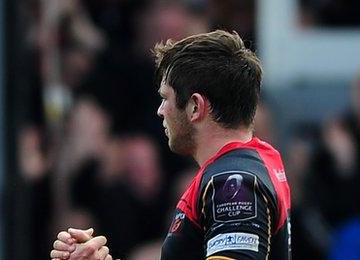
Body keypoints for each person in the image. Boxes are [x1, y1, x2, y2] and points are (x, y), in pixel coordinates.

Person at [50, 30, 291, 260]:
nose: (160, 110)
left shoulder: (234, 181)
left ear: (195, 106)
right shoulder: (245, 167)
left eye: (165, 98)